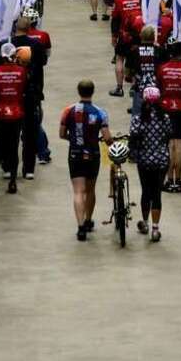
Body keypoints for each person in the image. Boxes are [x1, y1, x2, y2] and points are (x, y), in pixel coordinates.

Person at [59, 79, 112, 241]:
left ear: (79, 91)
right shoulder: (100, 112)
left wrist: (74, 139)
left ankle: (80, 226)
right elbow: (107, 137)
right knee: (90, 189)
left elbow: (61, 134)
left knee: (78, 191)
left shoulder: (68, 111)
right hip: (93, 153)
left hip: (75, 153)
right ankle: (88, 220)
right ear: (93, 91)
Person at [129, 86, 171, 242]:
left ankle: (145, 223)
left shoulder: (138, 119)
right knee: (157, 194)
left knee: (146, 191)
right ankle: (155, 228)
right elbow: (168, 135)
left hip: (144, 160)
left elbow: (134, 136)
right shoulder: (165, 118)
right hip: (161, 160)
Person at [0, 42, 28, 195]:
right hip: (16, 114)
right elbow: (25, 89)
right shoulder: (22, 71)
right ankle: (12, 183)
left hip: (0, 114)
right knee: (13, 147)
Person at [156, 43, 181, 193]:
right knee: (179, 145)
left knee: (168, 145)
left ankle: (168, 181)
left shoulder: (162, 68)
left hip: (165, 108)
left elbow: (158, 88)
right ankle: (178, 180)